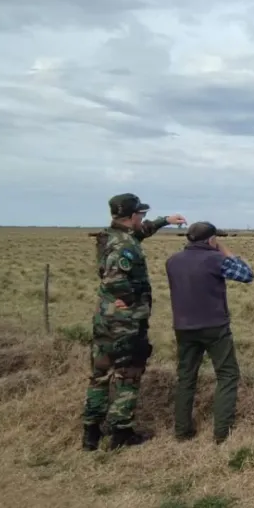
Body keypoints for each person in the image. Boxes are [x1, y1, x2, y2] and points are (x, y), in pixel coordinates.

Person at [81, 193, 186, 451]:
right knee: (128, 373)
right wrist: (127, 300)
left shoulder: (112, 236)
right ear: (131, 217)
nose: (144, 219)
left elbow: (142, 233)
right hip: (124, 322)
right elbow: (115, 278)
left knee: (100, 373)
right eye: (142, 215)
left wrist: (166, 220)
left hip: (104, 318)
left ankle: (91, 433)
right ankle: (121, 432)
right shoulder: (124, 246)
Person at [165, 221, 254, 444]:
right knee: (227, 375)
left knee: (186, 377)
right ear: (211, 240)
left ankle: (182, 430)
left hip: (183, 327)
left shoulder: (172, 261)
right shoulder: (215, 259)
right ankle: (222, 433)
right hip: (214, 326)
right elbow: (247, 275)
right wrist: (225, 251)